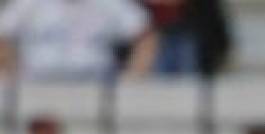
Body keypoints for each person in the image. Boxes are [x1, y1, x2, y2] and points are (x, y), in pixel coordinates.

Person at [0, 0, 154, 80]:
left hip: (94, 88)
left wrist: (133, 78)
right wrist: (10, 72)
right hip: (37, 88)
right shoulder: (29, 4)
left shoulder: (111, 4)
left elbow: (146, 36)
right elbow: (3, 36)